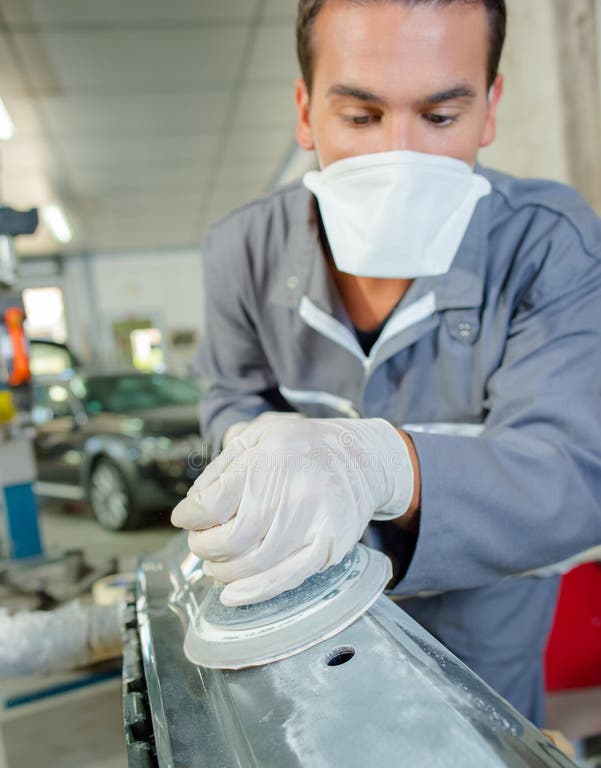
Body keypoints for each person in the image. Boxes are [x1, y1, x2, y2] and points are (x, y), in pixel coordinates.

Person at [172, 0, 601, 725]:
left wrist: (382, 465)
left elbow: (573, 473)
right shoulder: (240, 250)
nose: (398, 159)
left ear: (488, 109)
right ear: (306, 111)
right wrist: (253, 451)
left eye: (439, 117)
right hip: (297, 630)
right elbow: (227, 395)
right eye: (361, 117)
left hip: (486, 649)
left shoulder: (551, 245)